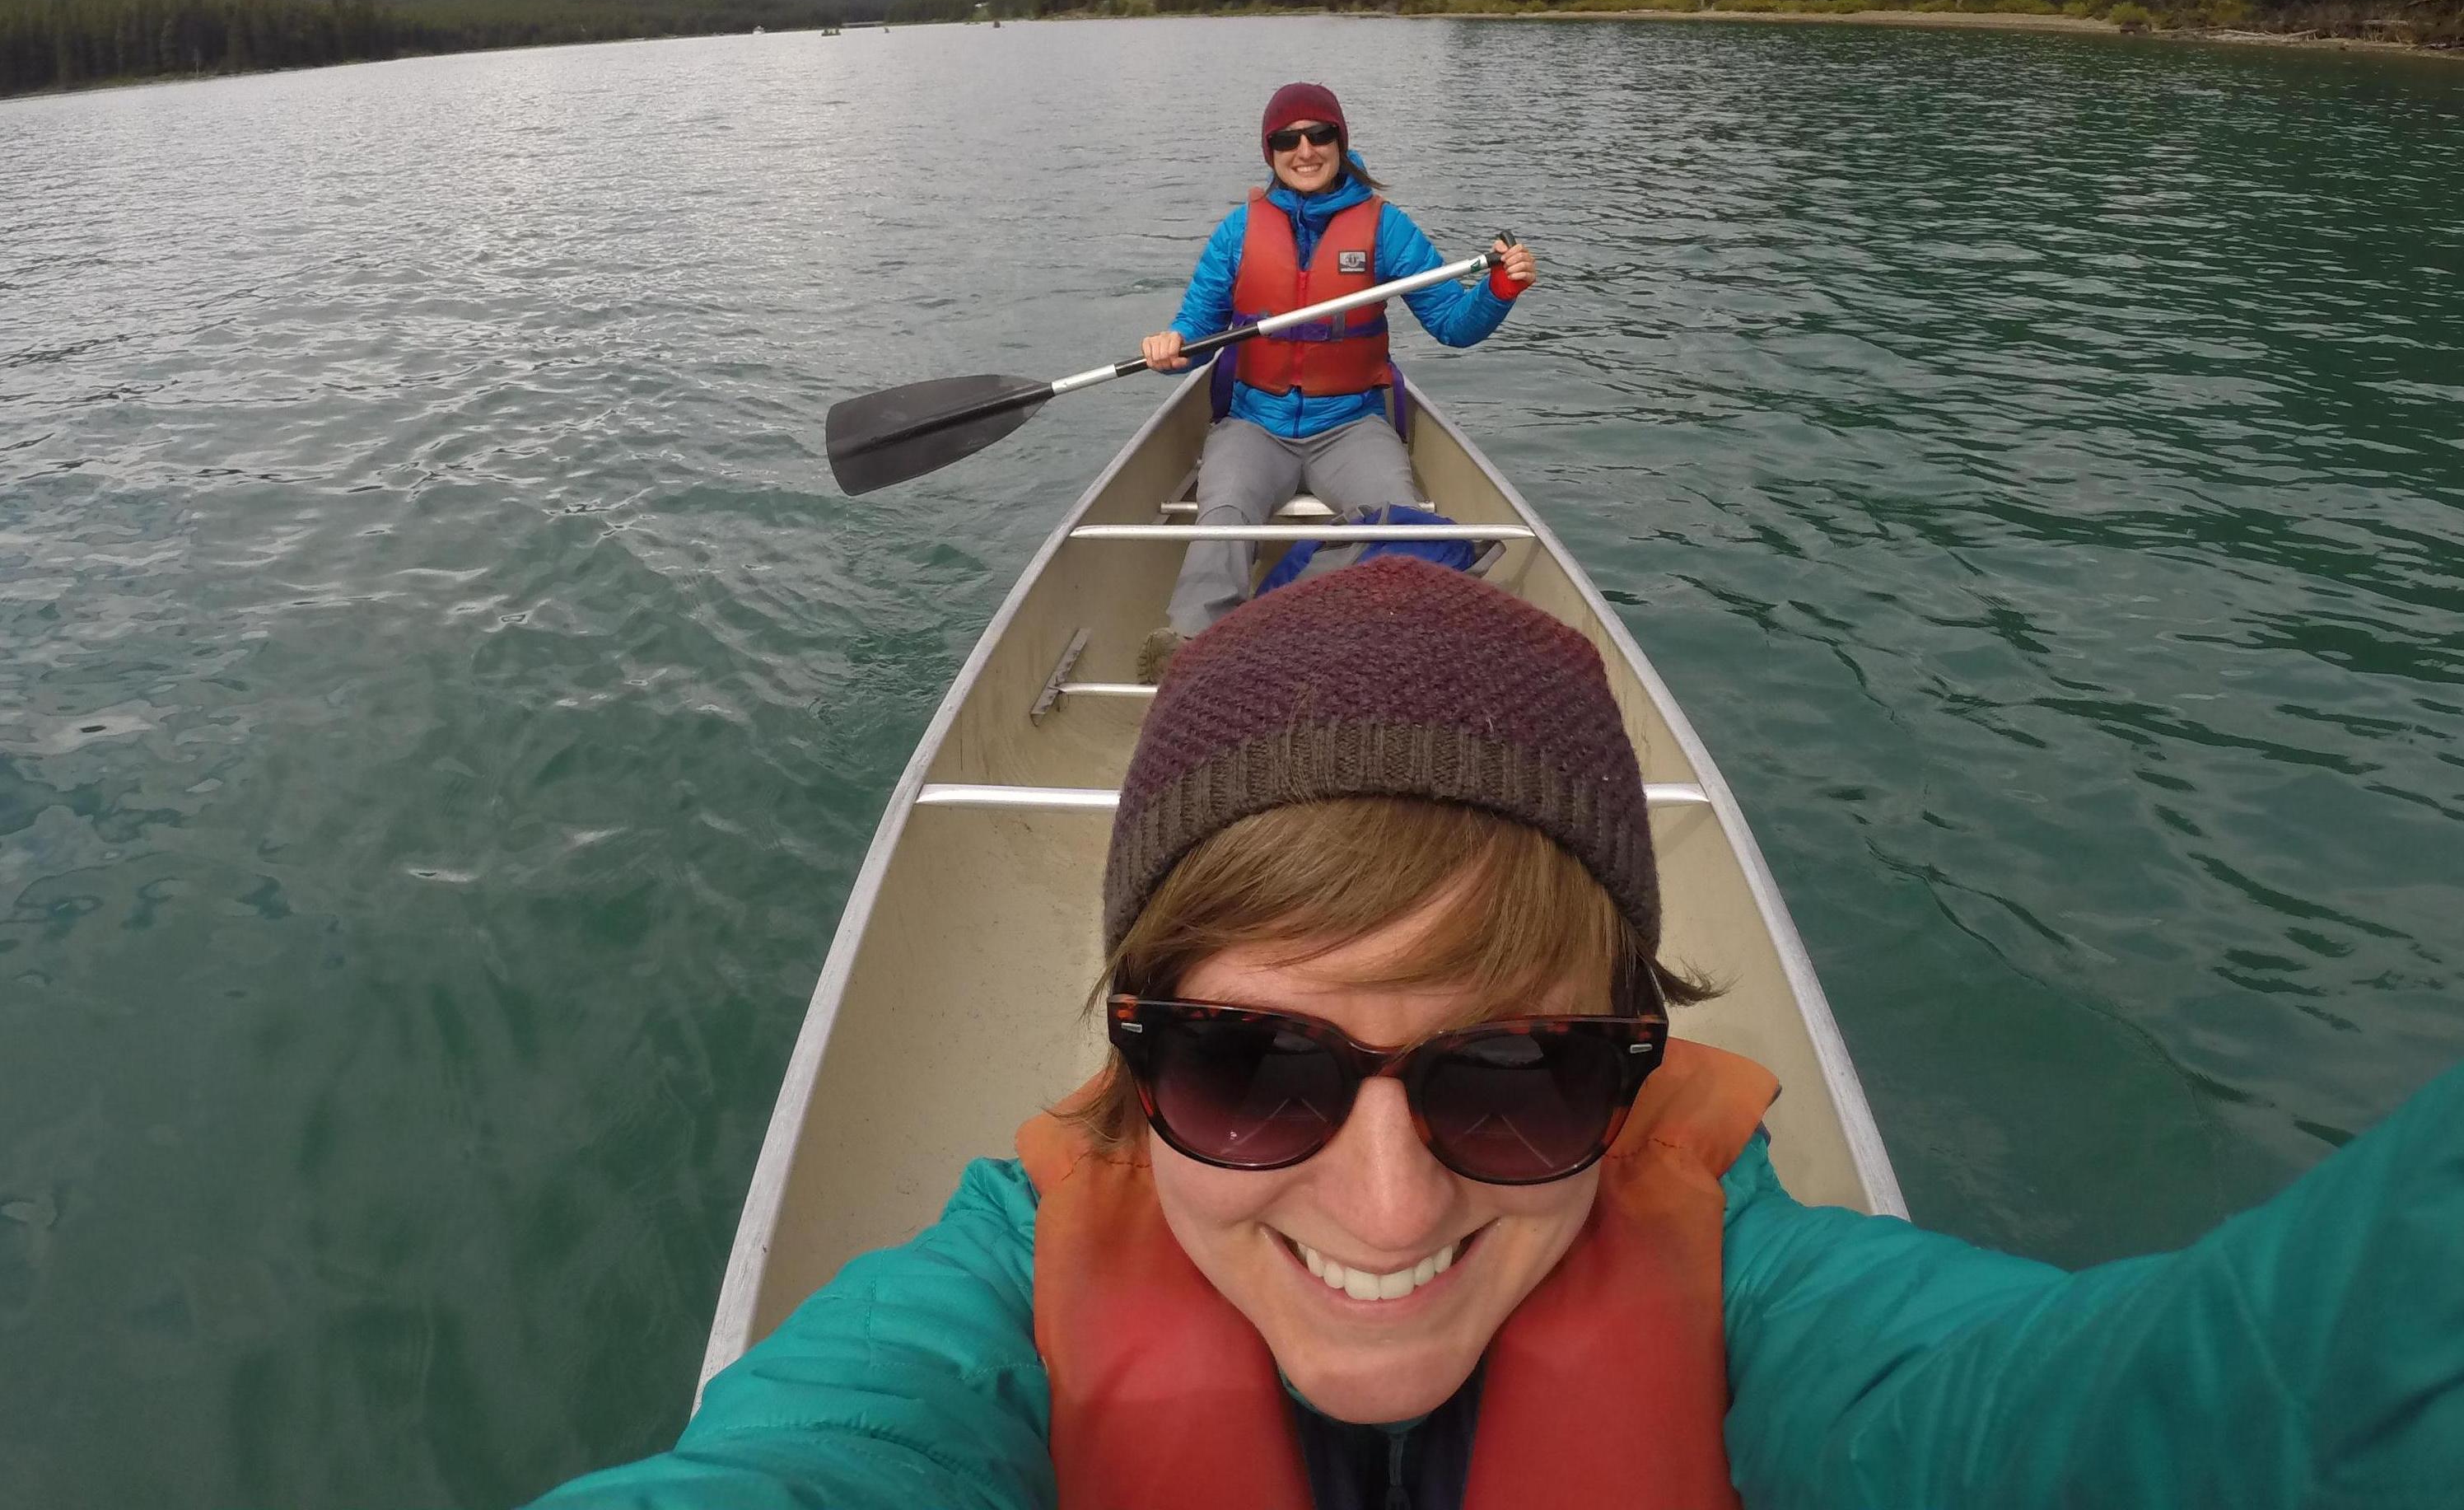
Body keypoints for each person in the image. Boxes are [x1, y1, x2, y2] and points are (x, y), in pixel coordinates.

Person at [533, 561, 2462, 1510]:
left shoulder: (1760, 1299)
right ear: (1135, 1060)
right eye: (1251, 1066)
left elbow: (2176, 1417)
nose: (1384, 1213)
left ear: (1632, 1057)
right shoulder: (971, 1323)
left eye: (1514, 1070)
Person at [1133, 80, 1539, 680]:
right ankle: (1192, 649)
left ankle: (1354, 635)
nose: (1305, 150)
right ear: (1269, 151)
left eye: (1320, 135)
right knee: (1223, 511)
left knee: (1399, 521)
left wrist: (1500, 290)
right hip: (1254, 421)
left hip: (1350, 422)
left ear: (1340, 143)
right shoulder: (1238, 232)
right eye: (1287, 139)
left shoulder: (1386, 227)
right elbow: (1195, 331)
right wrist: (1172, 348)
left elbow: (1454, 325)